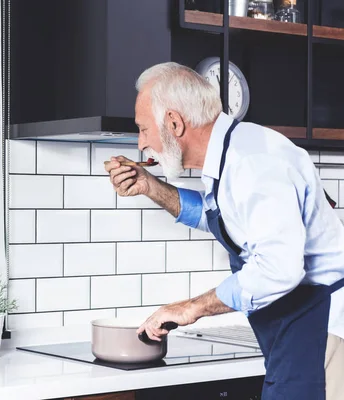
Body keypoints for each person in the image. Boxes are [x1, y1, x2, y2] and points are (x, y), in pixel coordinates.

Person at [105, 62, 344, 400]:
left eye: (143, 129)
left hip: (325, 330)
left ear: (174, 122)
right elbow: (217, 216)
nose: (142, 144)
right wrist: (150, 186)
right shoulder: (232, 155)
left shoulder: (253, 163)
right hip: (299, 327)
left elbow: (279, 270)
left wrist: (192, 307)